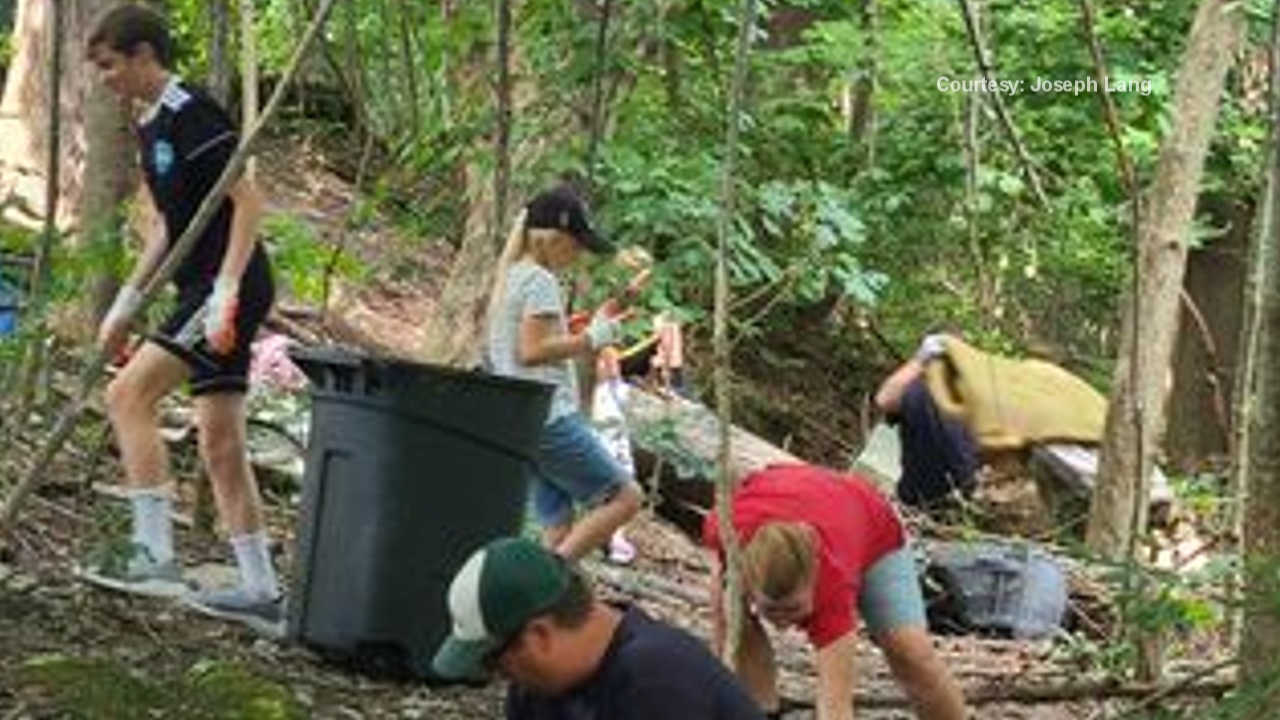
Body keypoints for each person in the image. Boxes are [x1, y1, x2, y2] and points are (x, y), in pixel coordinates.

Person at [83, 4, 282, 634]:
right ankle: (260, 588)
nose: (105, 79)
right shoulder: (149, 126)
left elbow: (248, 201)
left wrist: (225, 292)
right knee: (219, 441)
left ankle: (154, 557)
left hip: (232, 281)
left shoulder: (191, 110)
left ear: (144, 54)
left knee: (127, 395)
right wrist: (126, 304)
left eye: (111, 65)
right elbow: (169, 226)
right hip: (198, 284)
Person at [703, 463, 967, 720]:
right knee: (736, 619)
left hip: (868, 518)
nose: (783, 623)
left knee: (910, 653)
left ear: (814, 579)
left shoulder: (832, 583)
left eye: (793, 609)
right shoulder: (725, 535)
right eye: (772, 610)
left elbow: (835, 707)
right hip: (791, 494)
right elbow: (723, 648)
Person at [432, 536, 767, 720]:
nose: (498, 676)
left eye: (493, 661)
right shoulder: (535, 692)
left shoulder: (658, 680)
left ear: (539, 635)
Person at [485, 185, 642, 560]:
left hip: (522, 417)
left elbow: (523, 344)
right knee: (625, 497)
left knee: (557, 526)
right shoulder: (539, 280)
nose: (578, 255)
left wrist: (581, 328)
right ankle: (550, 580)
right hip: (549, 418)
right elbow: (532, 351)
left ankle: (539, 606)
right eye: (576, 245)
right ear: (554, 238)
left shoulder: (511, 277)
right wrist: (592, 338)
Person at [873, 333, 978, 508]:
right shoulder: (917, 391)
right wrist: (920, 360)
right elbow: (884, 400)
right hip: (917, 501)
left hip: (967, 502)